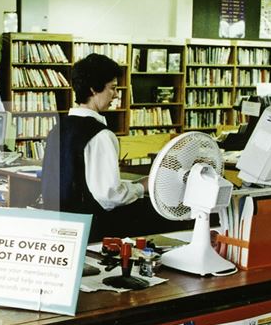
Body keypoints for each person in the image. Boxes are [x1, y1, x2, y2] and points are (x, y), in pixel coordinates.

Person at [41, 53, 180, 241]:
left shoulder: (57, 128)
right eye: (112, 88)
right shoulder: (101, 135)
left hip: (60, 228)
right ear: (93, 90)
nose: (116, 95)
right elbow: (109, 196)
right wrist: (143, 186)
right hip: (93, 232)